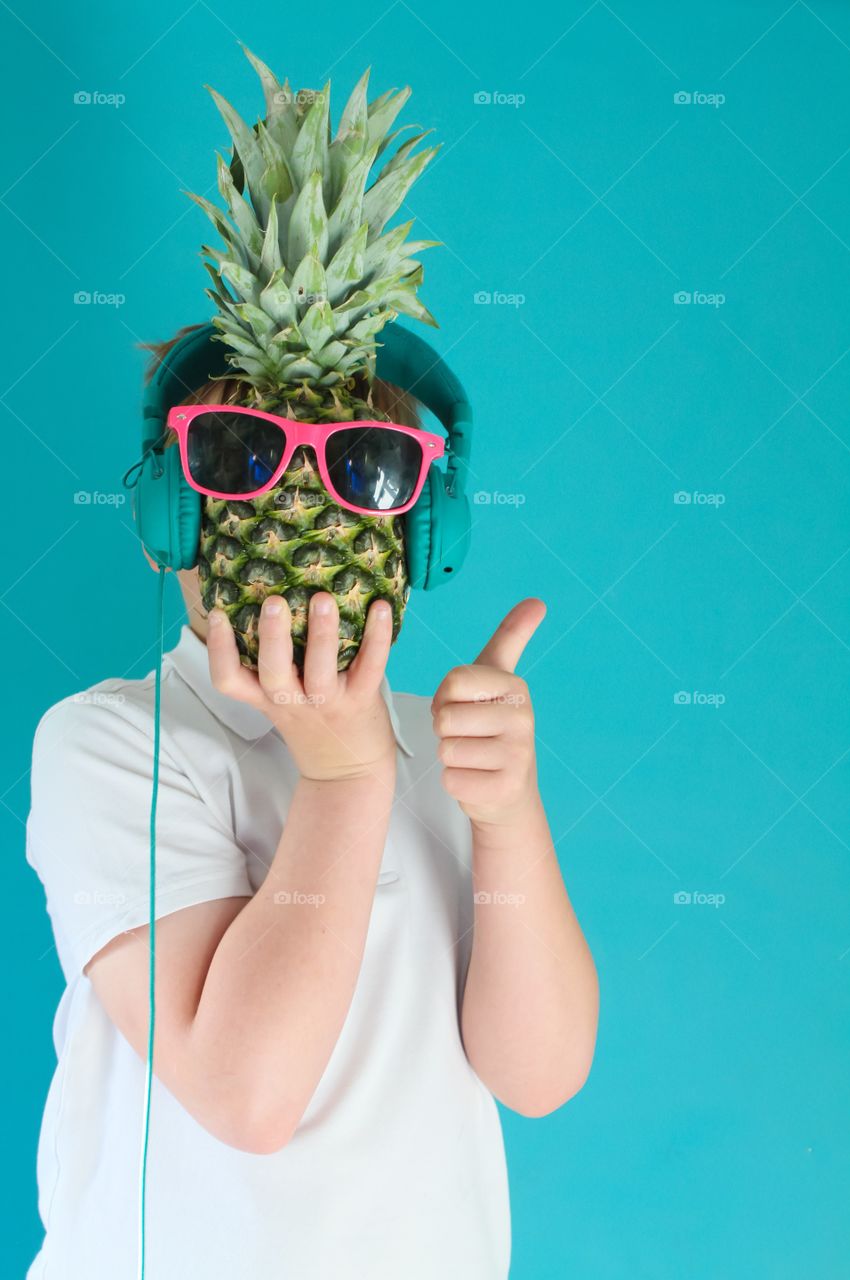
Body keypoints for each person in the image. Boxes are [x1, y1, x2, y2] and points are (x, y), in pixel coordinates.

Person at [25, 342, 599, 1279]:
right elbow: (248, 1098)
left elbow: (537, 1077)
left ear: (421, 532)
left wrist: (505, 815)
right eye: (234, 455)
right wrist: (344, 781)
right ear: (166, 512)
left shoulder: (444, 741)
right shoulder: (112, 741)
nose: (297, 505)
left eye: (362, 466)